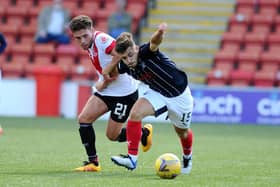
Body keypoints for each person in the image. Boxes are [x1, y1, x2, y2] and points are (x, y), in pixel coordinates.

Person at [104, 23, 194, 174]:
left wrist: (160, 32)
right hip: (157, 93)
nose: (129, 60)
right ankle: (132, 159)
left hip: (179, 96)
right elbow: (106, 72)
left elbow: (155, 42)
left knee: (182, 132)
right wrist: (116, 60)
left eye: (130, 55)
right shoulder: (125, 65)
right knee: (135, 114)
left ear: (136, 48)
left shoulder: (146, 52)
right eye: (124, 58)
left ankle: (187, 157)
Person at [68, 15, 152, 172]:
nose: (82, 41)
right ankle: (93, 163)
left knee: (112, 136)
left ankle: (143, 133)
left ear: (92, 30)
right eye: (78, 38)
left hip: (124, 94)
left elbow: (122, 54)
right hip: (107, 91)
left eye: (85, 36)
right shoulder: (90, 45)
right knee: (84, 119)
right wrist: (104, 81)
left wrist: (106, 77)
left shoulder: (102, 40)